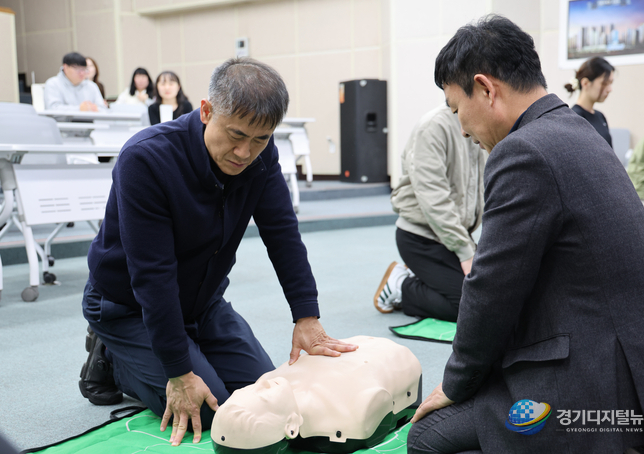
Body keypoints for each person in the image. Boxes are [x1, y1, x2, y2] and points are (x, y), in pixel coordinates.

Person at [408, 15, 644, 454]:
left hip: (596, 387)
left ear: (486, 89)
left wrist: (454, 384)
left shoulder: (523, 151)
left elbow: (491, 290)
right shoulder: (579, 130)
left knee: (427, 437)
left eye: (457, 110)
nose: (462, 128)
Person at [79, 57, 357, 447]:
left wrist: (306, 316)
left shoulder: (262, 155)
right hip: (127, 306)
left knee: (267, 397)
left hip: (202, 302)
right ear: (207, 111)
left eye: (260, 139)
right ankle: (112, 359)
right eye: (236, 135)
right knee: (213, 411)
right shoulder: (146, 159)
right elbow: (153, 276)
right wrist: (178, 372)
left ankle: (171, 352)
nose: (244, 152)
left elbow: (282, 233)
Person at [211, 336, 421, 453]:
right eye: (264, 396)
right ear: (291, 427)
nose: (262, 384)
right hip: (391, 361)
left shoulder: (270, 379)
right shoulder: (347, 415)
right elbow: (376, 402)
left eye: (247, 391)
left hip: (372, 349)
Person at [374, 104, 486, 322]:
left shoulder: (480, 124)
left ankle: (425, 276)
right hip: (421, 238)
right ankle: (401, 285)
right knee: (468, 308)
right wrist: (466, 252)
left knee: (490, 295)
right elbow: (433, 198)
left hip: (455, 236)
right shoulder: (433, 127)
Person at [564, 56, 614, 147]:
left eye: (610, 83)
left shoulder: (600, 116)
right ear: (586, 83)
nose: (610, 89)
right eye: (604, 83)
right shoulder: (574, 118)